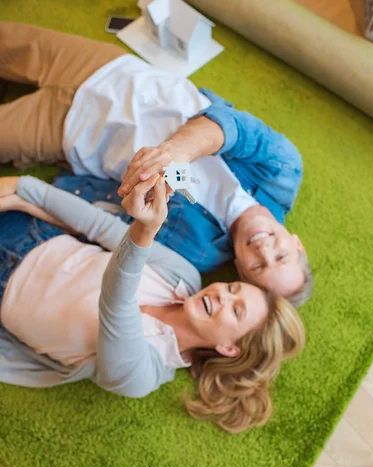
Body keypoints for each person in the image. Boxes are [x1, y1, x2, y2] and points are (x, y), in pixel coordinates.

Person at [0, 22, 313, 306]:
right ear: (297, 244)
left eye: (259, 266)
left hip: (72, 135)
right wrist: (174, 153)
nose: (264, 250)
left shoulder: (196, 252)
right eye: (281, 256)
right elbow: (230, 127)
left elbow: (116, 224)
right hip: (113, 76)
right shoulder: (283, 172)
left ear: (242, 271)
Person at [0, 175, 305, 434]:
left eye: (236, 310)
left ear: (229, 348)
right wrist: (25, 190)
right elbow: (101, 227)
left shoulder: (142, 375)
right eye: (231, 287)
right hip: (31, 232)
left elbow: (115, 305)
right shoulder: (184, 276)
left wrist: (145, 231)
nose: (222, 295)